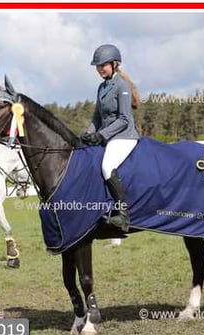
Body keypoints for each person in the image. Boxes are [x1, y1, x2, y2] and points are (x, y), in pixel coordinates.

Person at [80, 44, 141, 232]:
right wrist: (88, 134)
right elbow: (97, 117)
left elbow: (124, 119)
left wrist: (101, 135)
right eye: (97, 66)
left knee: (107, 167)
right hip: (109, 136)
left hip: (124, 136)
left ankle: (123, 214)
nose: (99, 69)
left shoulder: (122, 86)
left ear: (114, 64)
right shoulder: (102, 87)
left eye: (103, 65)